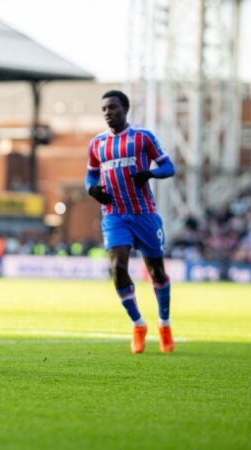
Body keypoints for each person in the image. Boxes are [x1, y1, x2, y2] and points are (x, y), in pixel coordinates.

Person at [85, 90, 176, 354]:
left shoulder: (142, 138)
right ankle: (138, 324)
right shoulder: (97, 144)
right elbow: (89, 177)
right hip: (114, 215)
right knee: (118, 267)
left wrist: (149, 173)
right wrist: (92, 190)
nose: (107, 112)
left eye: (112, 107)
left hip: (145, 214)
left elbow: (168, 167)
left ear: (125, 109)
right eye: (103, 108)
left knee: (157, 272)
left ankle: (165, 324)